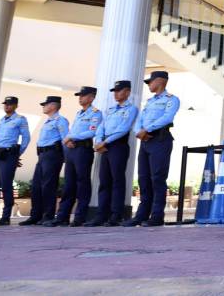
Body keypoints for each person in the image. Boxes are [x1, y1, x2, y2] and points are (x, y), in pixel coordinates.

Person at [124, 71, 180, 227]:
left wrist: (147, 129)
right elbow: (139, 120)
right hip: (146, 141)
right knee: (143, 178)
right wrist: (139, 132)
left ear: (161, 81)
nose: (149, 84)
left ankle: (156, 216)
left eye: (151, 81)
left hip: (160, 140)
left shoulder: (172, 99)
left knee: (157, 178)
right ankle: (141, 215)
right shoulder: (149, 102)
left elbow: (167, 118)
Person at [45, 86, 102, 227]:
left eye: (83, 95)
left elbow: (91, 132)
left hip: (84, 149)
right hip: (72, 150)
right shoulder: (79, 113)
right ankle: (62, 216)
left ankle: (80, 217)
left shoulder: (96, 113)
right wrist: (69, 141)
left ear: (91, 97)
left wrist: (71, 137)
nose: (80, 98)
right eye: (79, 95)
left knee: (82, 183)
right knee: (69, 184)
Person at [85, 80, 138, 227]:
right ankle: (101, 215)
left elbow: (124, 128)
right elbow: (101, 126)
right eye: (115, 91)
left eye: (119, 90)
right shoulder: (110, 109)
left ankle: (116, 215)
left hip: (117, 146)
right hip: (104, 146)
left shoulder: (131, 109)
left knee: (117, 181)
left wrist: (105, 142)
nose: (116, 93)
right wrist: (98, 140)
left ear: (127, 92)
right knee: (104, 181)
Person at [18, 96, 69, 225]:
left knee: (48, 186)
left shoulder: (60, 120)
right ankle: (35, 215)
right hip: (42, 156)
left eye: (45, 105)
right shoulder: (47, 121)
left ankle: (48, 215)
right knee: (36, 186)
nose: (43, 107)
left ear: (53, 106)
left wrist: (66, 158)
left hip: (53, 155)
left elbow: (65, 139)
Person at [0, 96, 30, 226]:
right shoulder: (2, 120)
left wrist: (17, 154)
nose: (6, 106)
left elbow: (26, 138)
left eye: (10, 104)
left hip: (8, 155)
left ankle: (5, 217)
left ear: (16, 105)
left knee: (6, 186)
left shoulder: (20, 119)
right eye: (5, 104)